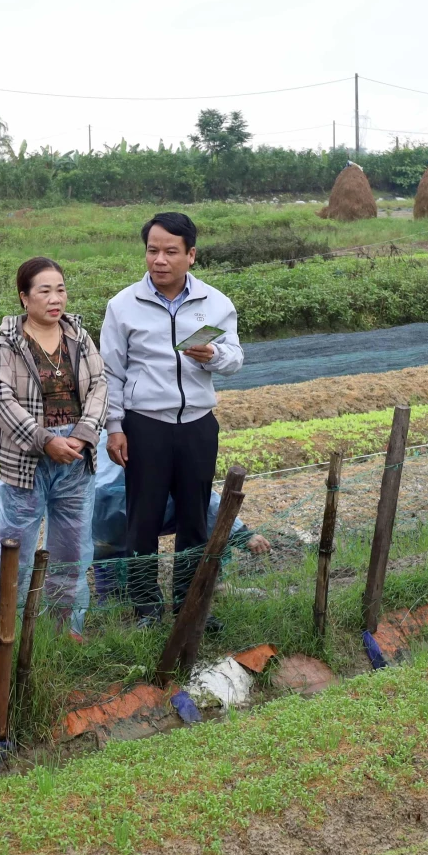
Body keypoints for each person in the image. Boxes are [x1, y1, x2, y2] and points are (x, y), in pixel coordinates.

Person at [100, 211, 243, 621]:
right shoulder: (123, 305)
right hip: (145, 425)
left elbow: (235, 358)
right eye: (152, 250)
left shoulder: (215, 303)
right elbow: (110, 372)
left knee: (195, 521)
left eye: (170, 252)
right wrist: (114, 427)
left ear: (191, 255)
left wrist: (213, 355)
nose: (159, 260)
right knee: (142, 522)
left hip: (198, 423)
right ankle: (147, 607)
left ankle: (189, 604)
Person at [0, 257, 107, 639]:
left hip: (75, 455)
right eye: (44, 291)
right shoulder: (7, 346)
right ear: (24, 297)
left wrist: (83, 434)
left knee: (71, 550)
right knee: (13, 552)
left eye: (61, 289)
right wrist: (45, 440)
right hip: (27, 459)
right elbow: (2, 400)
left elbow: (100, 385)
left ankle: (62, 628)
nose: (55, 299)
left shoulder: (80, 337)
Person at [85, 439, 267, 603]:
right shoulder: (156, 428)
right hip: (140, 503)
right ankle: (210, 585)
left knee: (108, 554)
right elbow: (195, 493)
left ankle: (112, 600)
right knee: (198, 519)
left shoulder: (101, 428)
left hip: (96, 510)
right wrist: (240, 533)